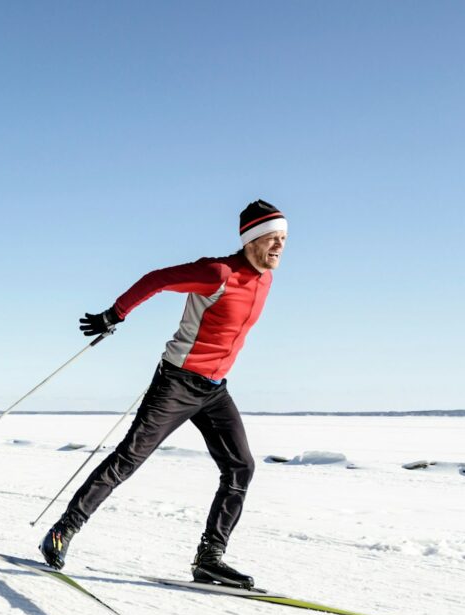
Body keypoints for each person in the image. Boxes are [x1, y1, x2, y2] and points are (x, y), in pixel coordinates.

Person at [40, 200, 288, 588]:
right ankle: (62, 531)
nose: (279, 246)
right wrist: (114, 314)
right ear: (252, 239)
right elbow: (157, 278)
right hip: (176, 383)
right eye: (272, 238)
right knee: (128, 459)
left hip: (215, 390)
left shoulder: (266, 279)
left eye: (284, 239)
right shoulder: (217, 272)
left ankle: (210, 558)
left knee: (241, 467)